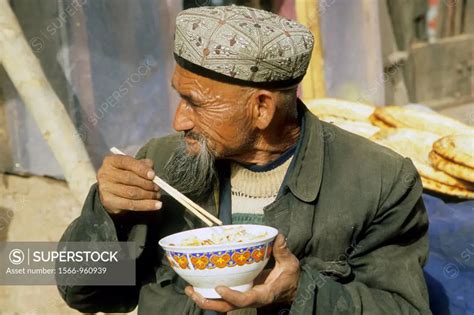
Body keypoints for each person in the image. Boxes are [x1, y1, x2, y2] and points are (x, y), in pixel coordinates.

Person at [58, 5, 431, 315]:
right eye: (179, 97)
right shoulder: (160, 165)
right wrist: (107, 216)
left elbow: (405, 310)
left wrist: (300, 293)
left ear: (262, 109)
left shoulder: (379, 181)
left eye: (196, 104)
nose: (178, 121)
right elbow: (83, 293)